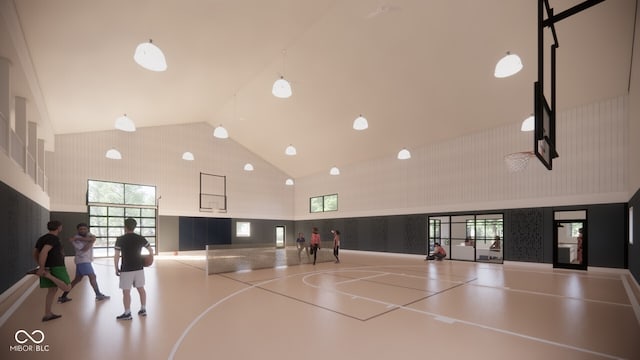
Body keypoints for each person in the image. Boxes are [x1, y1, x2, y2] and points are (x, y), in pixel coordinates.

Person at [58, 223, 110, 303]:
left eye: (84, 229)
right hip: (83, 260)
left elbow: (93, 238)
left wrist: (89, 239)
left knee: (77, 280)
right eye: (81, 229)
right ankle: (98, 294)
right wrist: (90, 241)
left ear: (87, 229)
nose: (82, 230)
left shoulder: (86, 235)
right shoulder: (75, 239)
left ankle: (63, 296)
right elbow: (84, 249)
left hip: (85, 260)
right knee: (92, 276)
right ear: (78, 230)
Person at [114, 218, 153, 320]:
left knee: (126, 291)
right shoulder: (140, 238)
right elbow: (150, 250)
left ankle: (127, 313)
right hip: (139, 268)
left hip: (126, 268)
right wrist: (150, 258)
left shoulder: (120, 239)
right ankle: (143, 309)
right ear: (135, 227)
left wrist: (116, 267)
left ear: (125, 227)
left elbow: (116, 255)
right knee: (141, 288)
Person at [33, 220, 72, 322]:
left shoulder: (42, 238)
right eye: (61, 227)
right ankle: (48, 275)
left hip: (48, 266)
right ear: (59, 227)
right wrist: (42, 269)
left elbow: (35, 254)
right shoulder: (53, 238)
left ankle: (48, 314)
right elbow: (44, 252)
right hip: (56, 267)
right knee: (67, 287)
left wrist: (42, 265)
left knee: (52, 290)